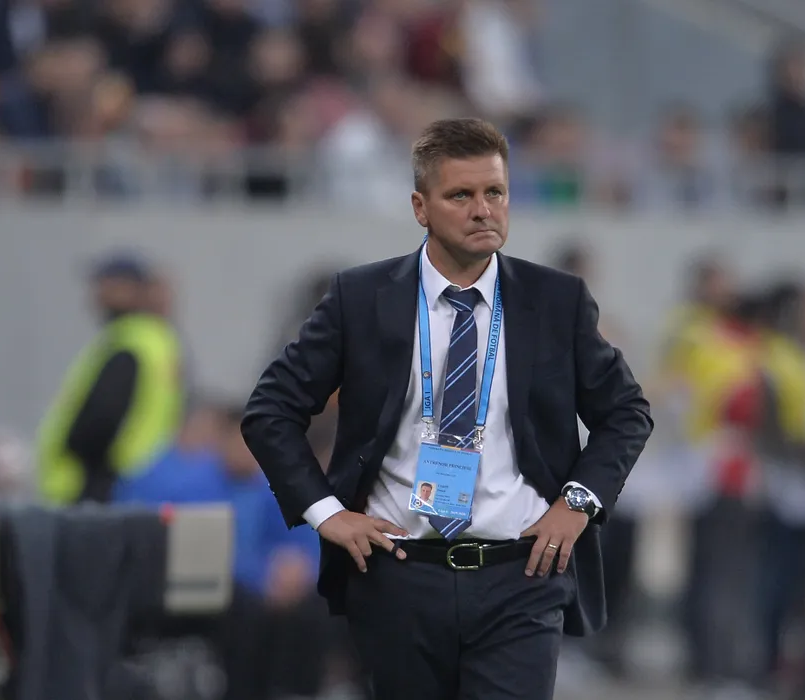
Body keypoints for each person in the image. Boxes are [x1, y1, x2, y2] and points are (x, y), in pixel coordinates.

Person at [242, 117, 653, 699]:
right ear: (421, 207)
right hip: (399, 575)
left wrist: (578, 502)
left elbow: (626, 412)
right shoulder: (361, 299)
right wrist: (327, 513)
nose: (484, 210)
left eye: (496, 193)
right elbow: (270, 411)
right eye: (461, 195)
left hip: (522, 576)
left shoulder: (555, 301)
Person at [36, 253, 186, 504]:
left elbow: (102, 418)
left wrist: (76, 449)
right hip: (139, 481)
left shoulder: (129, 343)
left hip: (101, 485)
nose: (97, 293)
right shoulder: (158, 341)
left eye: (107, 284)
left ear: (131, 289)